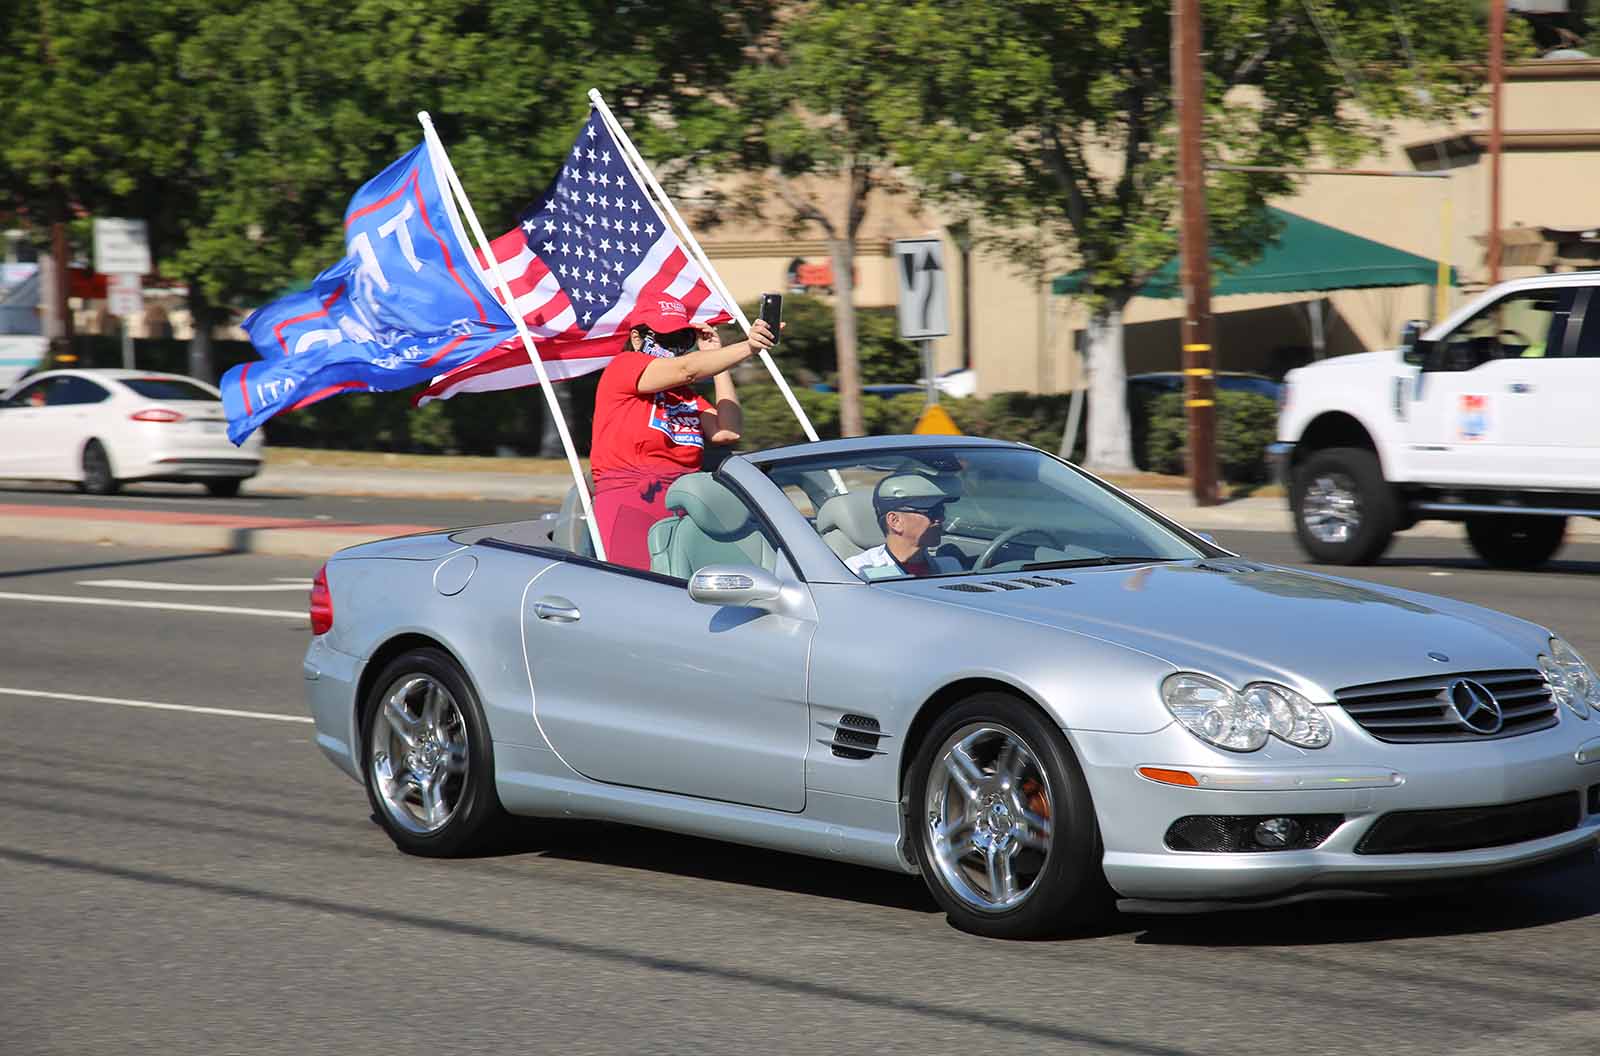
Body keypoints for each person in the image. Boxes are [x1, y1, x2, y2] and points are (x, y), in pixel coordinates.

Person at [589, 299, 778, 569]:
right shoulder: (624, 365)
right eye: (666, 336)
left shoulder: (685, 395)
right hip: (631, 499)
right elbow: (687, 369)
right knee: (635, 588)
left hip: (684, 500)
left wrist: (719, 358)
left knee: (685, 592)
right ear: (637, 337)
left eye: (682, 338)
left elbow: (728, 430)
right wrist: (749, 347)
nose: (674, 345)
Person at [845, 473, 965, 579]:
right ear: (895, 521)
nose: (941, 518)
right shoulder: (858, 571)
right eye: (932, 512)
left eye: (942, 510)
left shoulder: (950, 567)